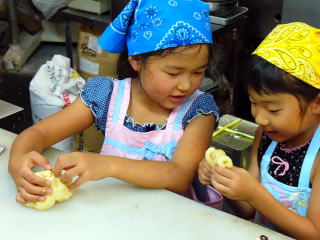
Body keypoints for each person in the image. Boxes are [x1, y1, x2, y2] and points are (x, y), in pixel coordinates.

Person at [9, 0, 220, 205]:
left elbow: (179, 175)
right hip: (111, 210)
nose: (185, 85)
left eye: (198, 72)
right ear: (136, 60)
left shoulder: (199, 111)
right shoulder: (107, 95)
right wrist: (18, 159)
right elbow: (40, 133)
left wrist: (108, 165)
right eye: (173, 73)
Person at [199, 22, 320, 239]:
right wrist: (223, 182)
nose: (260, 118)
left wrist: (255, 194)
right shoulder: (265, 136)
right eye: (254, 103)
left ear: (317, 104)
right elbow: (249, 210)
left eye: (273, 109)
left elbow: (315, 233)